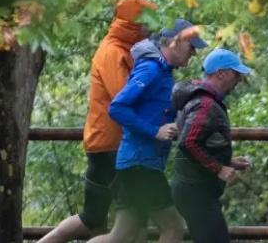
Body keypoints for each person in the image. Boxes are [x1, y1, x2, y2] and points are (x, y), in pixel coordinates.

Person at [38, 0, 156, 243]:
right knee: (132, 219)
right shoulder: (114, 53)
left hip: (105, 143)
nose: (151, 28)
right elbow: (123, 97)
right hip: (112, 145)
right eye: (147, 23)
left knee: (94, 219)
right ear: (133, 25)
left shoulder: (122, 50)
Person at [87, 19, 208, 243]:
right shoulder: (151, 69)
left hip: (137, 164)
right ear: (174, 42)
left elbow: (153, 111)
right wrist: (155, 131)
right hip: (140, 165)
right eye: (191, 47)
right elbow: (118, 107)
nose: (193, 53)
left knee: (121, 236)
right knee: (174, 228)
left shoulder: (163, 72)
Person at [170, 48, 253, 243]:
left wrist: (228, 161)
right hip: (195, 192)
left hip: (193, 189)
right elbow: (188, 142)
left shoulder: (200, 99)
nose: (239, 80)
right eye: (236, 74)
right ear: (221, 73)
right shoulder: (205, 104)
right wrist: (220, 168)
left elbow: (199, 142)